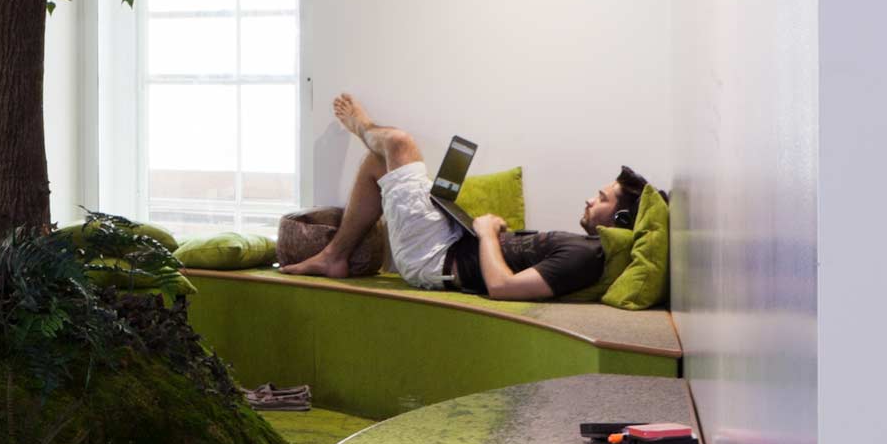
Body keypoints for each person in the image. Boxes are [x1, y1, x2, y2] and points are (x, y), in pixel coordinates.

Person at [276, 93, 644, 300]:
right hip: (450, 243)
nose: (590, 201)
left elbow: (502, 288)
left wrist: (486, 233)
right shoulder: (584, 249)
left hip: (435, 260)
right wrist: (487, 230)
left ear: (621, 221)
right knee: (379, 161)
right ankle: (334, 257)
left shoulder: (586, 255)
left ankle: (360, 126)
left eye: (603, 199)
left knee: (398, 144)